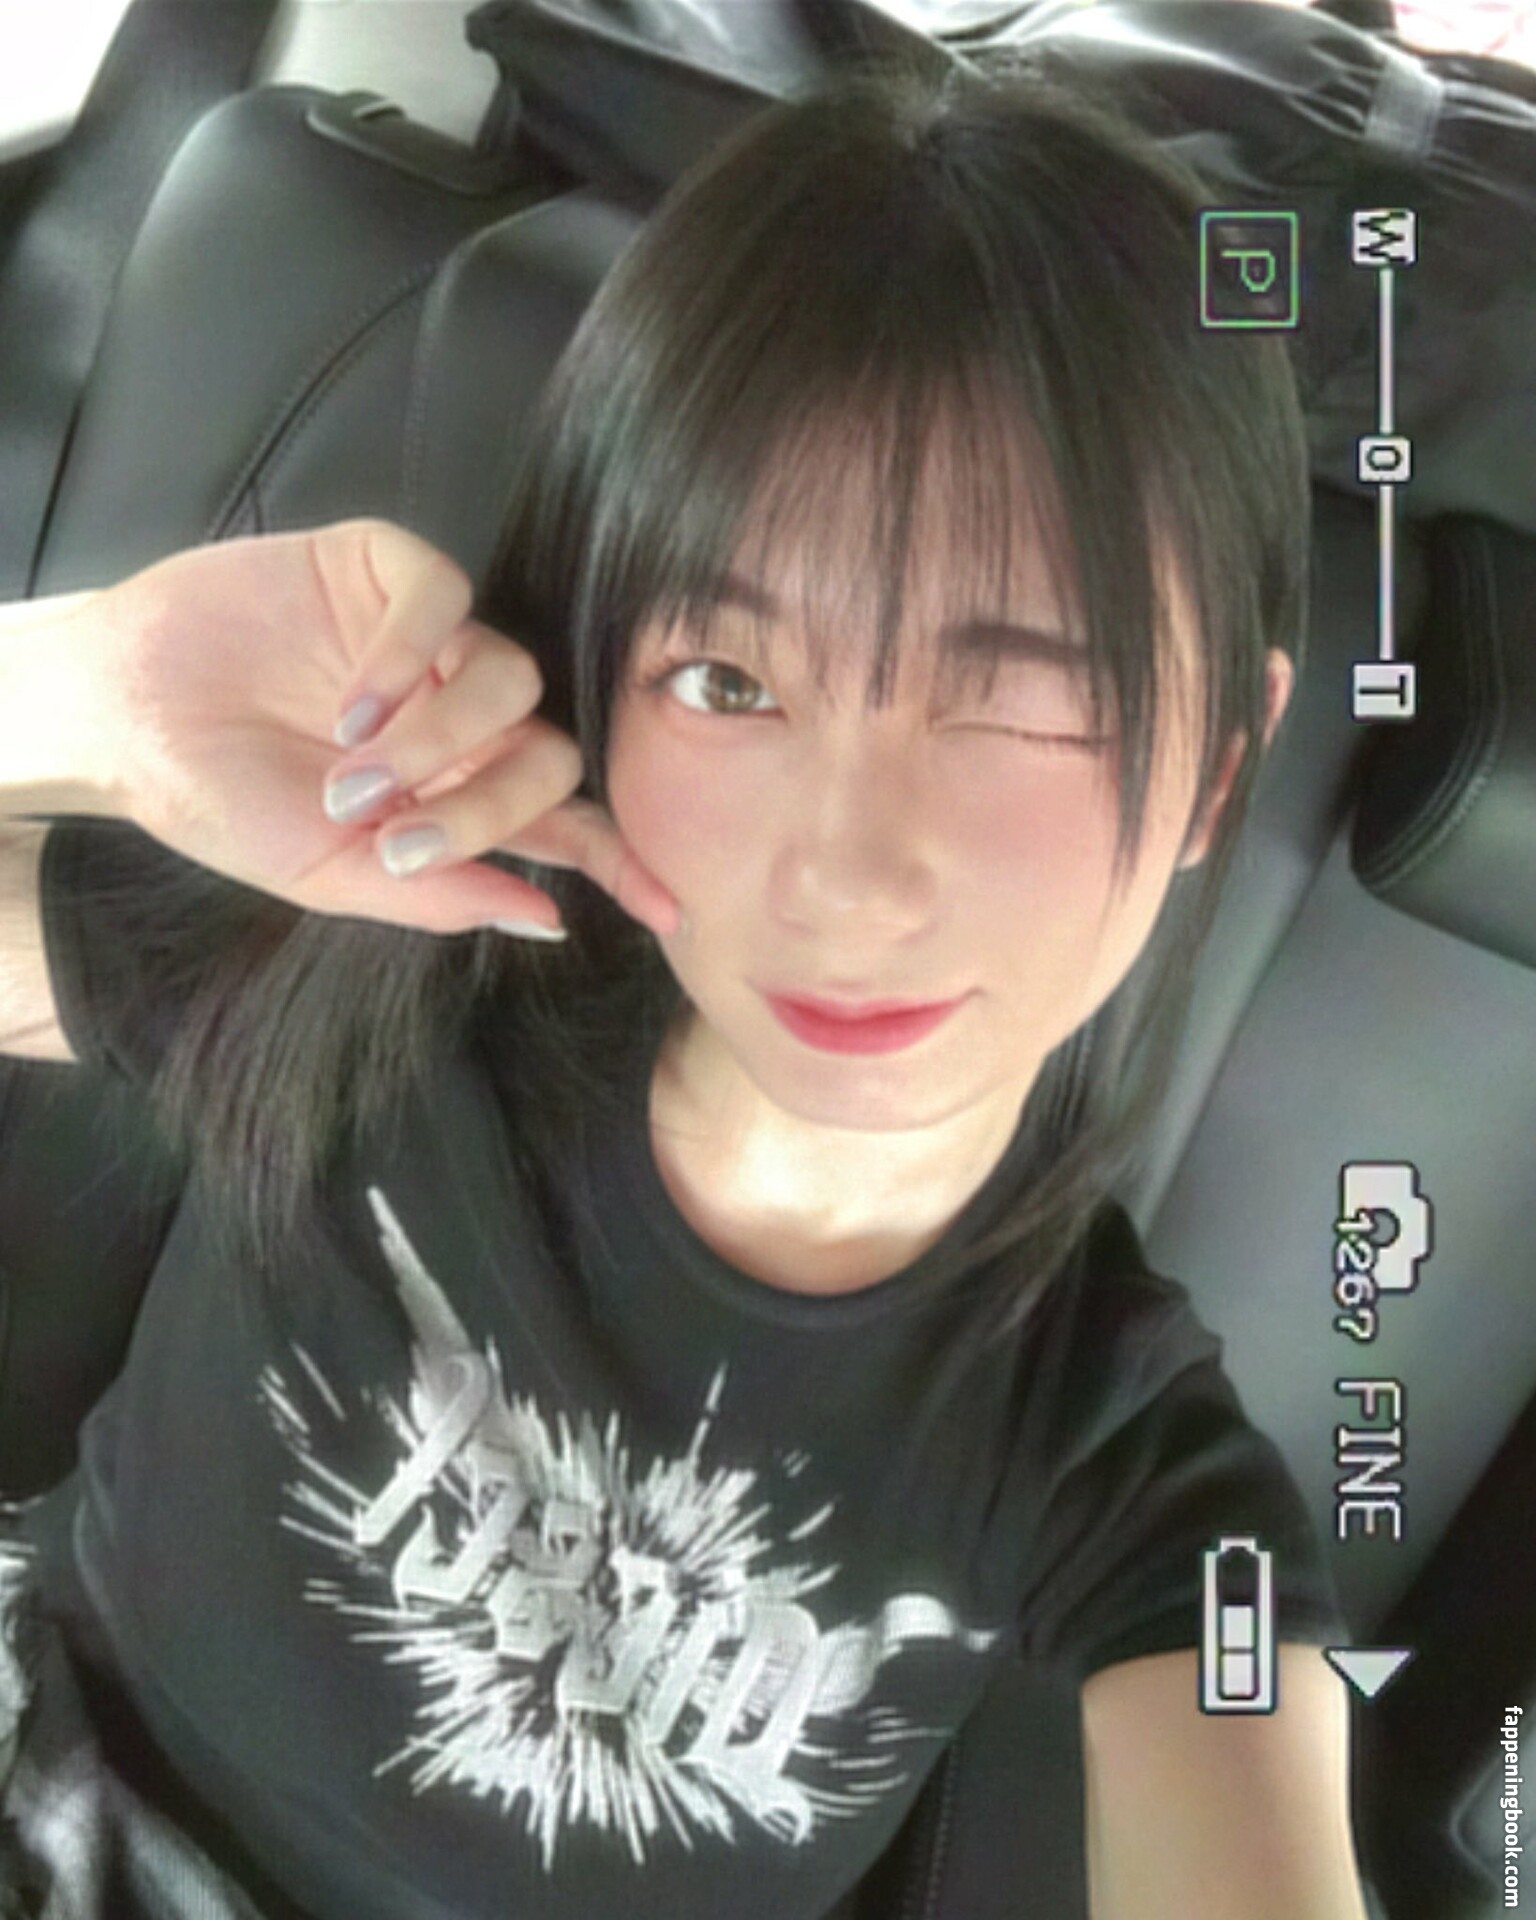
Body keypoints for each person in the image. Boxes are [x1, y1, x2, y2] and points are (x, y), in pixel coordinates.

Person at [0, 47, 1372, 1920]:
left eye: (1023, 699)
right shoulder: (397, 971)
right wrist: (82, 689)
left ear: (1219, 766)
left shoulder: (1125, 1472)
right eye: (729, 685)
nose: (848, 875)